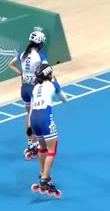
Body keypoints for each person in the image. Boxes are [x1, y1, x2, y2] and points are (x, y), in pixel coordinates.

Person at [8, 30, 48, 160]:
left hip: (24, 88)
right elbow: (46, 73)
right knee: (35, 117)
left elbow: (11, 65)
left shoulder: (22, 55)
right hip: (34, 90)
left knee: (28, 114)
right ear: (40, 43)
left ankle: (30, 143)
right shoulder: (41, 57)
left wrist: (21, 74)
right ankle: (35, 144)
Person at [29, 63, 67, 197]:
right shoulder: (53, 84)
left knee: (42, 147)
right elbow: (64, 99)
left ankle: (43, 173)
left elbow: (33, 105)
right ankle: (45, 179)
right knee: (52, 149)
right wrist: (57, 84)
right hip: (45, 117)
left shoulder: (34, 88)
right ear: (49, 74)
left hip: (34, 118)